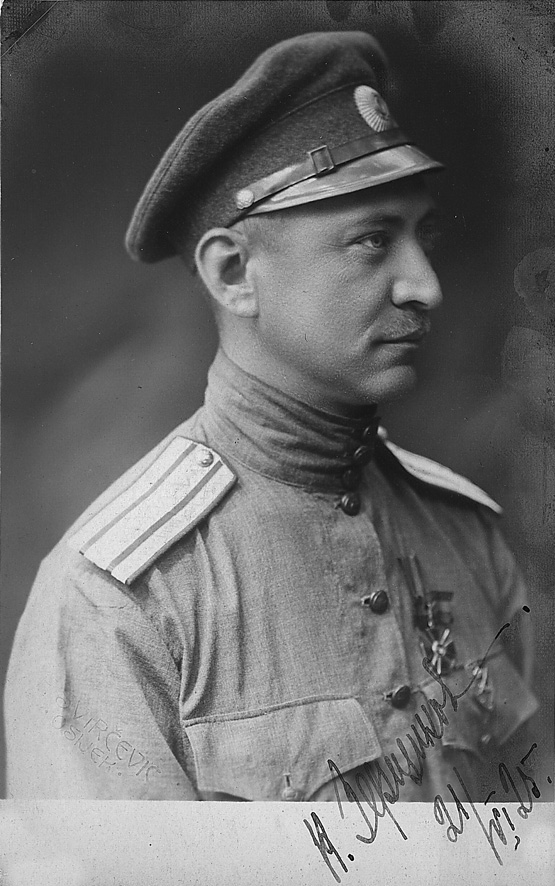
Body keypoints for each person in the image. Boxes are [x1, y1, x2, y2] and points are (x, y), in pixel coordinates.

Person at [4, 31, 537, 801]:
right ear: (233, 274)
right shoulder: (119, 599)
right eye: (371, 241)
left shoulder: (467, 536)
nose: (424, 286)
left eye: (421, 236)